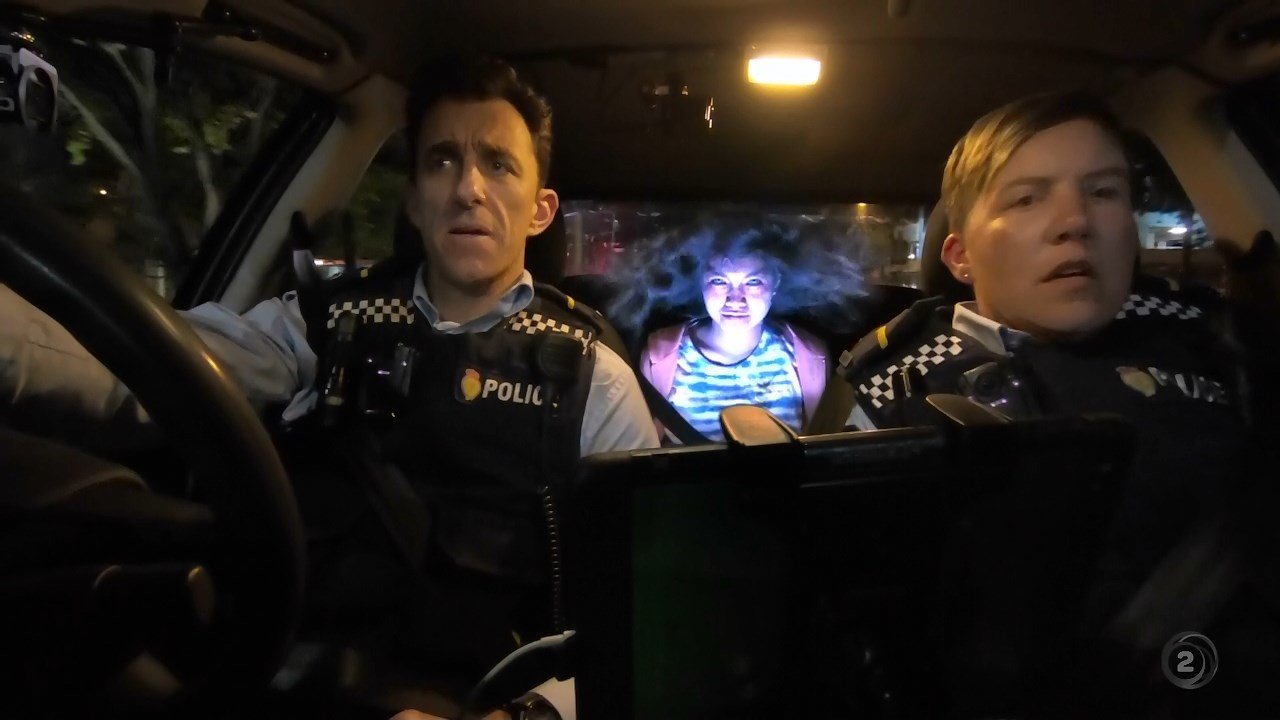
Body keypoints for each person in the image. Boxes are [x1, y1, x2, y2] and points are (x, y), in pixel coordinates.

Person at [0, 55, 658, 719]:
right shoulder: (326, 323)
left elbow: (642, 618)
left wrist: (525, 715)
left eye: (498, 164)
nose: (467, 188)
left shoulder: (592, 379)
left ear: (541, 210)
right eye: (441, 161)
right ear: (413, 199)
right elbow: (154, 365)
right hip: (289, 681)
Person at [828, 90, 1280, 713]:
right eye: (1027, 198)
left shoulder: (1225, 343)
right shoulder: (896, 392)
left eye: (1104, 192)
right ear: (960, 256)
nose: (1076, 221)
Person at [608, 216, 867, 441]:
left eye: (752, 282)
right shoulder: (661, 357)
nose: (735, 298)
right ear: (701, 282)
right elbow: (647, 447)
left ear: (775, 282)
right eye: (719, 281)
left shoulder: (808, 355)